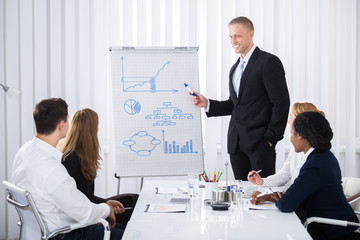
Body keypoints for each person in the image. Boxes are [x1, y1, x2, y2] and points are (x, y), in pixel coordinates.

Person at [191, 16, 290, 180]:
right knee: (240, 196)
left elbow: (281, 102)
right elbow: (235, 105)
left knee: (261, 195)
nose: (233, 41)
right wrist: (207, 104)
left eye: (237, 36)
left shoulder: (268, 62)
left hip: (260, 144)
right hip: (236, 145)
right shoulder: (235, 69)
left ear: (251, 34)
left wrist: (271, 138)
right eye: (230, 36)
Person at [12, 98, 123, 240]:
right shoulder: (52, 170)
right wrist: (107, 209)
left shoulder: (24, 152)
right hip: (67, 233)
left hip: (42, 231)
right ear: (61, 125)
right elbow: (85, 213)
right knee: (130, 234)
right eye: (68, 120)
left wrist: (105, 206)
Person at [251, 112, 359, 240]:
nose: (291, 139)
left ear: (301, 135)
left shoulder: (315, 164)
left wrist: (279, 198)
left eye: (292, 134)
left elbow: (285, 205)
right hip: (333, 227)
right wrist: (276, 197)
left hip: (333, 232)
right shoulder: (325, 156)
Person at [60, 108, 138, 227]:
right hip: (83, 218)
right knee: (129, 214)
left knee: (132, 200)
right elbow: (77, 204)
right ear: (93, 130)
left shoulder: (79, 155)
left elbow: (86, 196)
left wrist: (107, 203)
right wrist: (104, 209)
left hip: (88, 208)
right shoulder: (71, 159)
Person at [248, 102, 325, 189]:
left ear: (300, 121)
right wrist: (261, 181)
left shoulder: (316, 154)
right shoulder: (297, 147)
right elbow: (283, 175)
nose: (288, 121)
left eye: (291, 117)